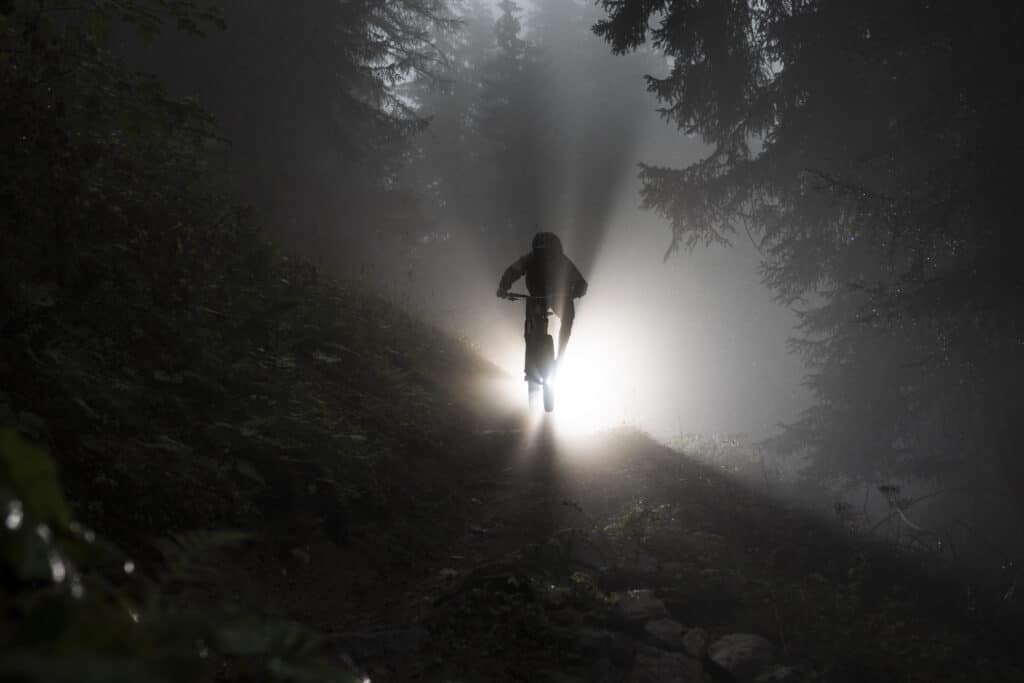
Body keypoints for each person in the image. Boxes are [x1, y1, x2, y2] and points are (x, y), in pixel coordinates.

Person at [497, 232, 588, 364]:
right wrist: (503, 287)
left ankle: (560, 355)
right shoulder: (540, 258)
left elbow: (581, 284)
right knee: (536, 323)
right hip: (544, 298)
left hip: (554, 297)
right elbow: (513, 271)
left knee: (566, 318)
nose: (545, 256)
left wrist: (503, 288)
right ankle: (540, 348)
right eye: (542, 253)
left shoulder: (542, 258)